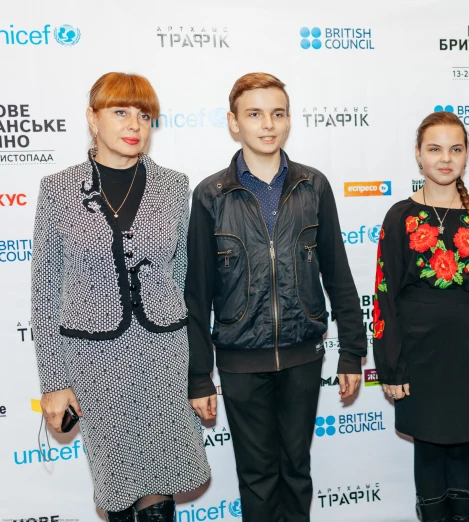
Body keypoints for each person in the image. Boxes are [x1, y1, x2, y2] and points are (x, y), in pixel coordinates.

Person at [185, 72, 367, 521]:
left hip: (304, 357)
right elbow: (197, 294)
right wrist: (199, 376)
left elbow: (338, 275)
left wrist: (352, 355)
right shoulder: (211, 194)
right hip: (240, 360)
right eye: (254, 114)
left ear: (288, 121)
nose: (267, 124)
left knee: (297, 472)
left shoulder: (314, 186)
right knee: (257, 477)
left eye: (277, 113)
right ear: (234, 123)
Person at [31, 72, 211, 522]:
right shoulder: (57, 189)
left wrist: (196, 371)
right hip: (94, 360)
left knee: (162, 477)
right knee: (118, 483)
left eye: (145, 115)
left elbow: (182, 275)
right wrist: (54, 382)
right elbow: (46, 290)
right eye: (120, 111)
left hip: (161, 351)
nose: (135, 124)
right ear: (92, 119)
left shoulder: (174, 186)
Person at [373, 111, 469, 522]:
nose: (445, 158)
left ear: (466, 154)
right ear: (418, 155)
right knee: (429, 450)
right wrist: (392, 367)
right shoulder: (399, 216)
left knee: (462, 447)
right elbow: (384, 295)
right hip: (419, 357)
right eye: (435, 149)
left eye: (455, 149)